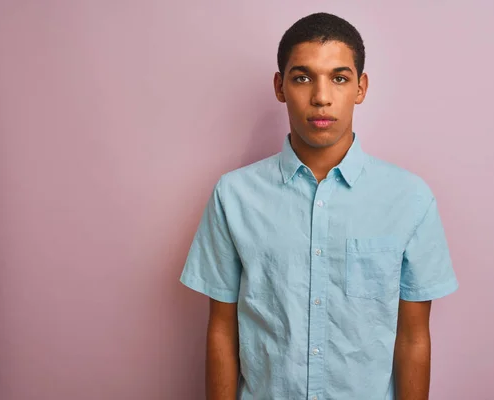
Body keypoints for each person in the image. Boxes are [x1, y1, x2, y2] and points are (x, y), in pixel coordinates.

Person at [180, 12, 458, 400]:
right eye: (302, 77)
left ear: (361, 87)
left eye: (339, 78)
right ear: (280, 86)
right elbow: (223, 331)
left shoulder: (410, 199)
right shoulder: (234, 195)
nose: (321, 97)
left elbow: (413, 339)